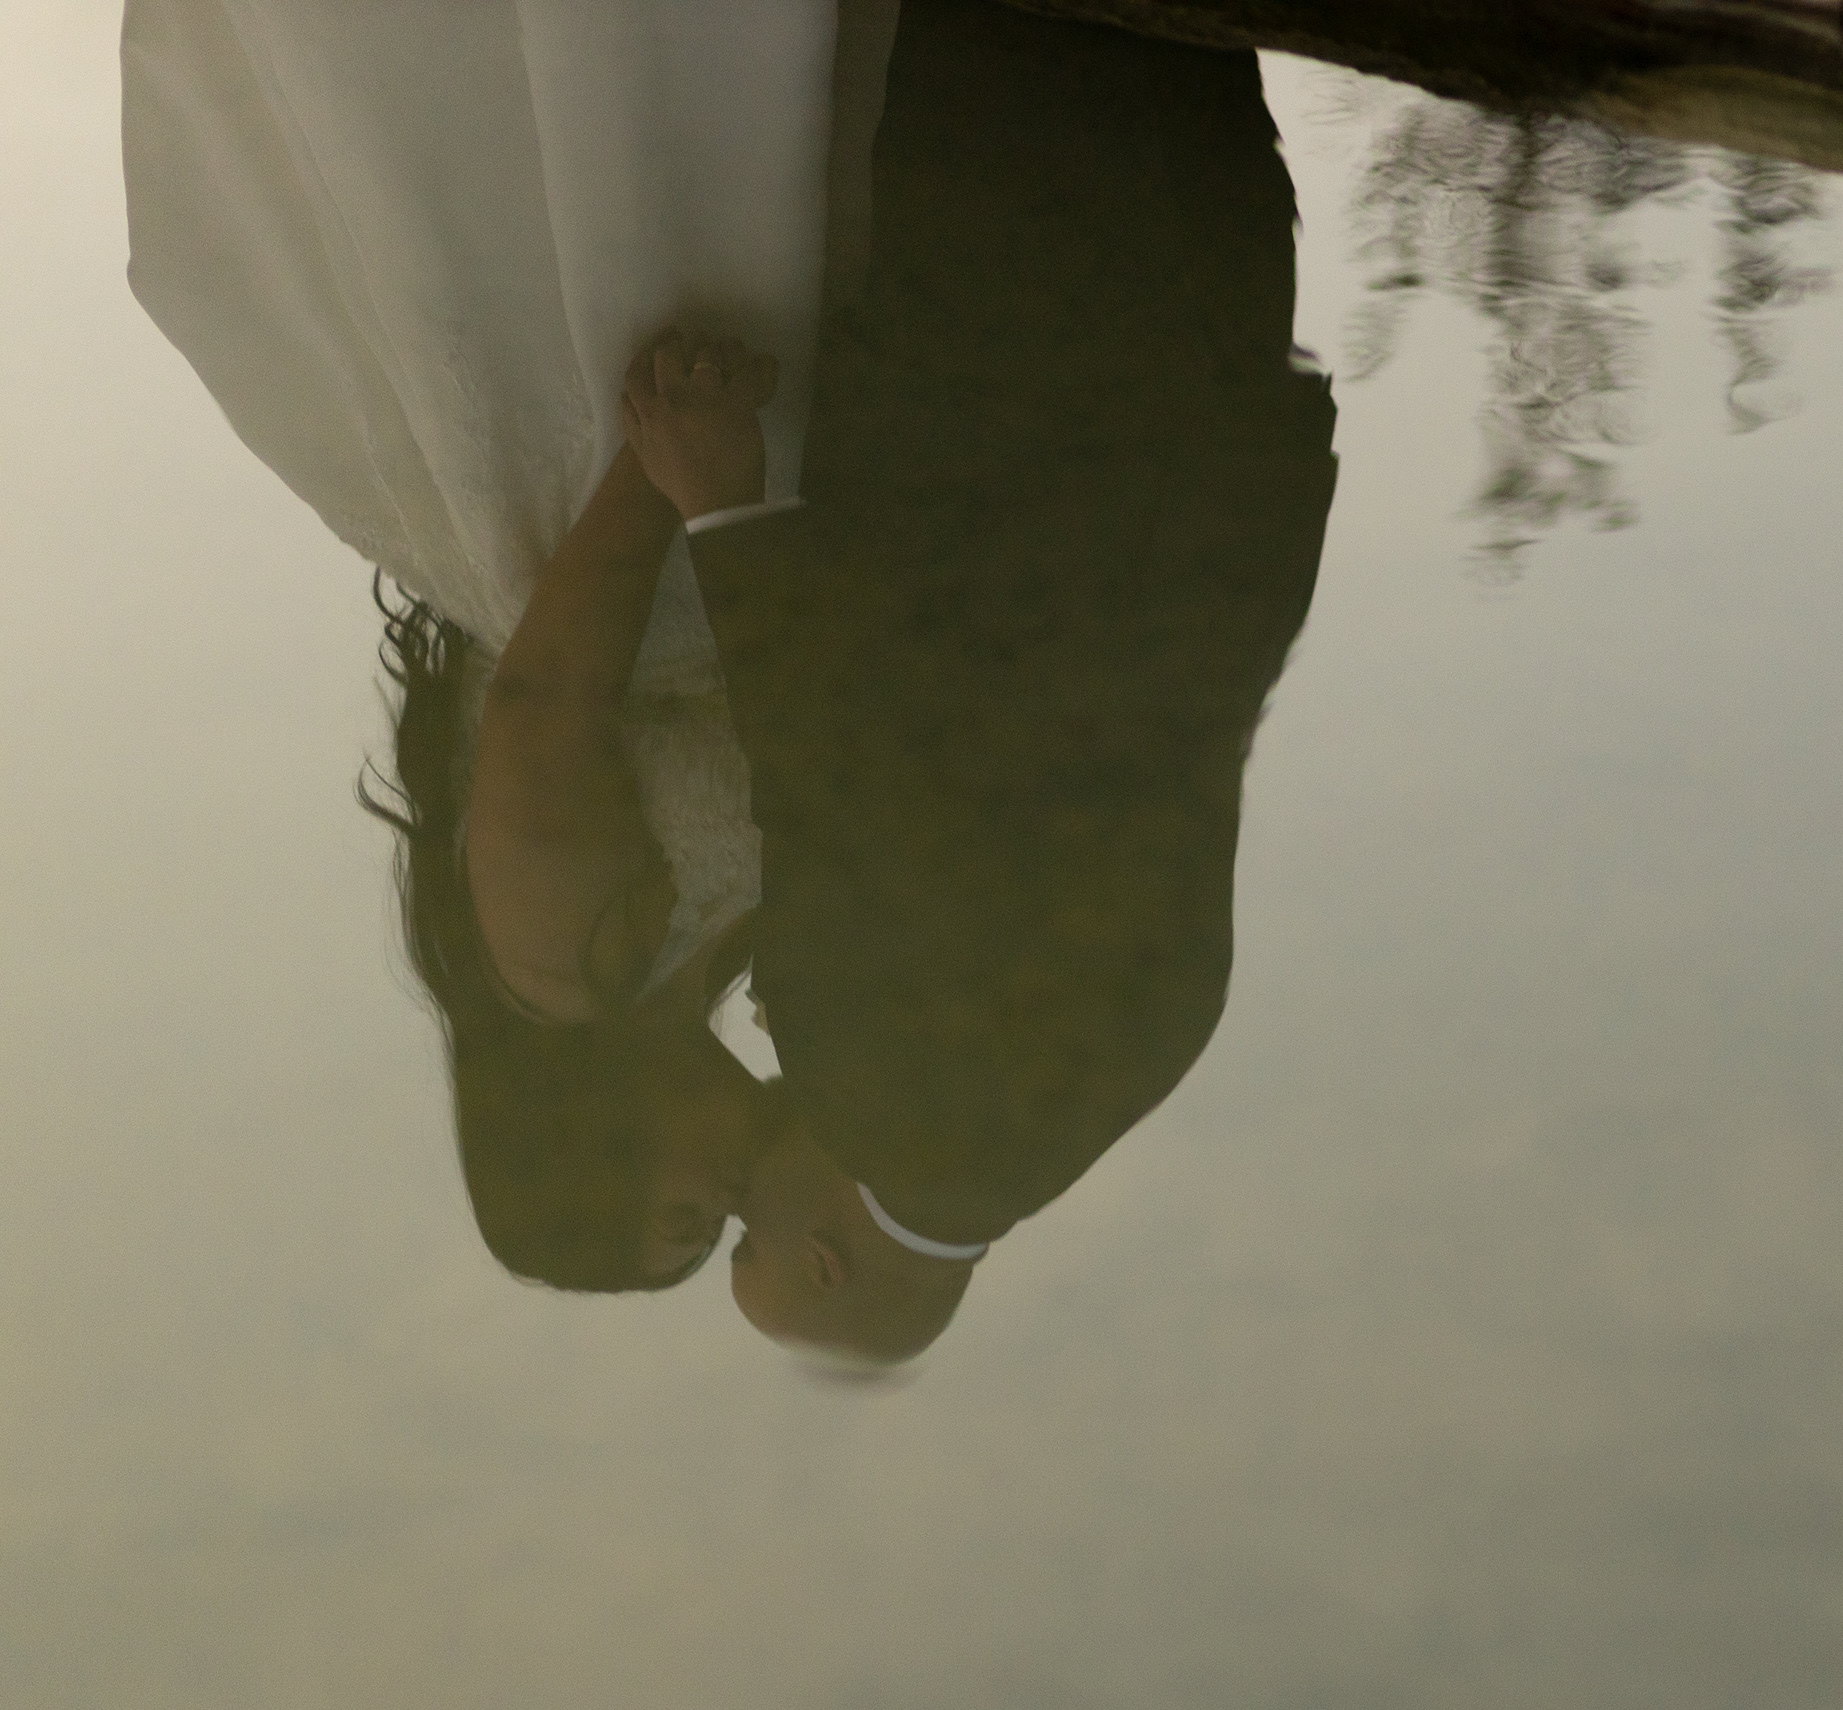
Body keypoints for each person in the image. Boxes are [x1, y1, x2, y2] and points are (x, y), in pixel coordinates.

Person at [617, 0, 1339, 1364]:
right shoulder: (881, 1093)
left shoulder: (1138, 1068)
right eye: (752, 1242)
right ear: (826, 1260)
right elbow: (835, 771)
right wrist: (722, 504)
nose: (741, 1201)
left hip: (1214, 400)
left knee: (1180, 41)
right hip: (1007, 403)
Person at [124, 0, 887, 1288]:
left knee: (644, 171)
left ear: (592, 1151)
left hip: (642, 517)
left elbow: (547, 698)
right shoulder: (696, 970)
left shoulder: (557, 964)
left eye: (686, 1220)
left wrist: (661, 462)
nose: (729, 1207)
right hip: (722, 533)